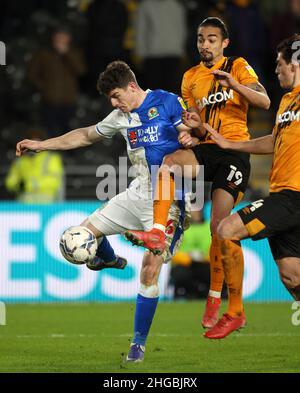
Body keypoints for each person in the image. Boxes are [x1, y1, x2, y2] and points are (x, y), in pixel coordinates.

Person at [16, 60, 192, 362]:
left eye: (116, 96)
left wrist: (192, 137)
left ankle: (138, 344)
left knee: (150, 268)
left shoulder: (168, 102)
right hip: (138, 192)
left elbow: (194, 136)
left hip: (169, 197)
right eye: (110, 99)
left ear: (131, 86)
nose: (114, 103)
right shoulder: (119, 116)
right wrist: (42, 145)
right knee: (80, 235)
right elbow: (85, 135)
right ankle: (108, 258)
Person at [125, 17, 270, 336]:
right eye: (201, 39)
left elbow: (264, 100)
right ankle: (158, 232)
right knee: (169, 162)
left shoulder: (238, 66)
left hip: (233, 150)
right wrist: (189, 130)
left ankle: (215, 297)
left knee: (220, 227)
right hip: (207, 146)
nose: (205, 44)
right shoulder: (190, 77)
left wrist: (234, 85)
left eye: (212, 39)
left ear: (224, 43)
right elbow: (191, 122)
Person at [197, 34, 300, 337]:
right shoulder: (286, 101)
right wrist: (230, 143)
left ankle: (235, 311)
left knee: (226, 229)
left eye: (280, 65)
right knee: (292, 277)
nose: (277, 71)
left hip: (294, 196)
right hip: (282, 193)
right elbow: (274, 141)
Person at [27, 26, 87, 137]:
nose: (60, 39)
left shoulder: (75, 52)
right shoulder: (44, 53)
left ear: (69, 38)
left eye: (63, 37)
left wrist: (66, 54)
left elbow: (81, 71)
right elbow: (32, 74)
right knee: (49, 132)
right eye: (58, 36)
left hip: (69, 101)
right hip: (49, 101)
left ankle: (69, 154)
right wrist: (43, 87)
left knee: (69, 133)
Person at [6, 129, 64, 203]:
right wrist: (18, 186)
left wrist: (29, 184)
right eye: (30, 141)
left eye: (35, 141)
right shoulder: (19, 161)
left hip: (46, 200)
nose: (32, 146)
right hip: (23, 200)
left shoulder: (51, 158)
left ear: (42, 142)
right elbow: (10, 182)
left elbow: (55, 181)